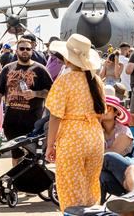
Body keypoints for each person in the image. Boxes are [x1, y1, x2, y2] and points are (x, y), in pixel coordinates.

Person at [45, 34, 106, 211]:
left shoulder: (64, 81)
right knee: (91, 185)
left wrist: (50, 145)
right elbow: (101, 112)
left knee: (71, 188)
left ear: (67, 58)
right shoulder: (96, 81)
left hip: (72, 136)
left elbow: (55, 116)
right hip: (95, 136)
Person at [0, 38, 52, 163]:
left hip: (33, 122)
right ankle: (16, 181)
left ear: (32, 51)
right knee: (16, 155)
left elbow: (51, 92)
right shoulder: (8, 69)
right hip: (12, 121)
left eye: (28, 49)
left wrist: (35, 93)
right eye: (22, 48)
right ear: (16, 51)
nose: (25, 51)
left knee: (32, 157)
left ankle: (29, 181)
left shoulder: (40, 70)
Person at [102, 86, 134, 156]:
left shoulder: (124, 130)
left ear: (116, 112)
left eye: (108, 108)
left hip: (124, 166)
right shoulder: (96, 129)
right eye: (101, 107)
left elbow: (113, 153)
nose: (104, 111)